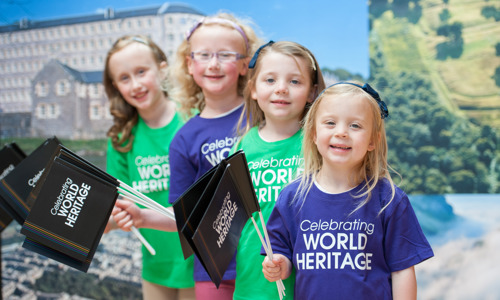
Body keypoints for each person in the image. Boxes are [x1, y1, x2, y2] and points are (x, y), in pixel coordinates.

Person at [111, 13, 261, 300]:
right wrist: (142, 216)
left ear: (245, 64)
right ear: (190, 65)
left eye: (225, 54)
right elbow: (186, 219)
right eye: (204, 55)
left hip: (268, 262)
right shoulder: (184, 139)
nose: (214, 64)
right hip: (213, 272)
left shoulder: (264, 116)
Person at [261, 82, 434, 299]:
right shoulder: (292, 197)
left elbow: (402, 270)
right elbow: (282, 254)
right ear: (314, 133)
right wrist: (278, 265)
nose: (341, 132)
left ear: (373, 140)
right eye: (330, 123)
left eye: (355, 126)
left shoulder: (389, 200)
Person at [231, 41, 325, 300]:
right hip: (254, 285)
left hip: (311, 282)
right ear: (253, 89)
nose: (281, 88)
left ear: (312, 92)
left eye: (295, 82)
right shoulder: (242, 147)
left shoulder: (320, 143)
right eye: (270, 80)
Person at [103, 35, 195, 300]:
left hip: (201, 265)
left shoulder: (193, 120)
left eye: (141, 72)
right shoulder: (120, 140)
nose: (135, 85)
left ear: (162, 68)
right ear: (115, 86)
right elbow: (119, 208)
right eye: (124, 78)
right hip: (155, 268)